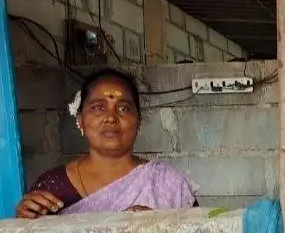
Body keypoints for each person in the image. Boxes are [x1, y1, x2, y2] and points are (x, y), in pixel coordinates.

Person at [15, 68, 197, 218]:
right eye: (98, 107)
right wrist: (23, 224)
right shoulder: (52, 187)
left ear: (138, 121)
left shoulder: (169, 183)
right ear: (80, 120)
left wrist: (159, 228)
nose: (111, 117)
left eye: (124, 108)